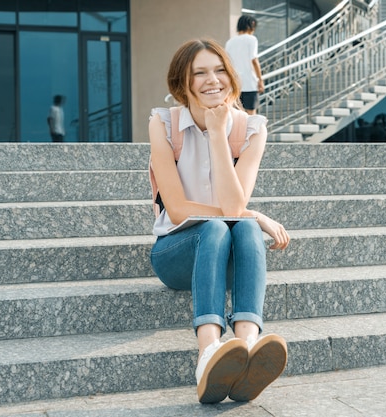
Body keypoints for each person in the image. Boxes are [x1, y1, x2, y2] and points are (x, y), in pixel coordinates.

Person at [148, 39, 290, 404]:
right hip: (176, 254)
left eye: (220, 69)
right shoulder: (163, 124)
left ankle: (246, 343)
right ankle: (208, 350)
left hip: (229, 257)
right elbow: (178, 210)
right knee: (224, 224)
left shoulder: (251, 129)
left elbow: (232, 205)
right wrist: (254, 213)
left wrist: (218, 134)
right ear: (183, 82)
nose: (213, 80)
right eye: (200, 73)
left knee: (240, 226)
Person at [224, 15, 264, 115]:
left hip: (235, 84)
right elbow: (254, 60)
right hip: (249, 83)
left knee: (237, 115)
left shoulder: (230, 42)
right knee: (251, 114)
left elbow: (226, 63)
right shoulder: (252, 39)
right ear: (252, 26)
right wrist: (260, 79)